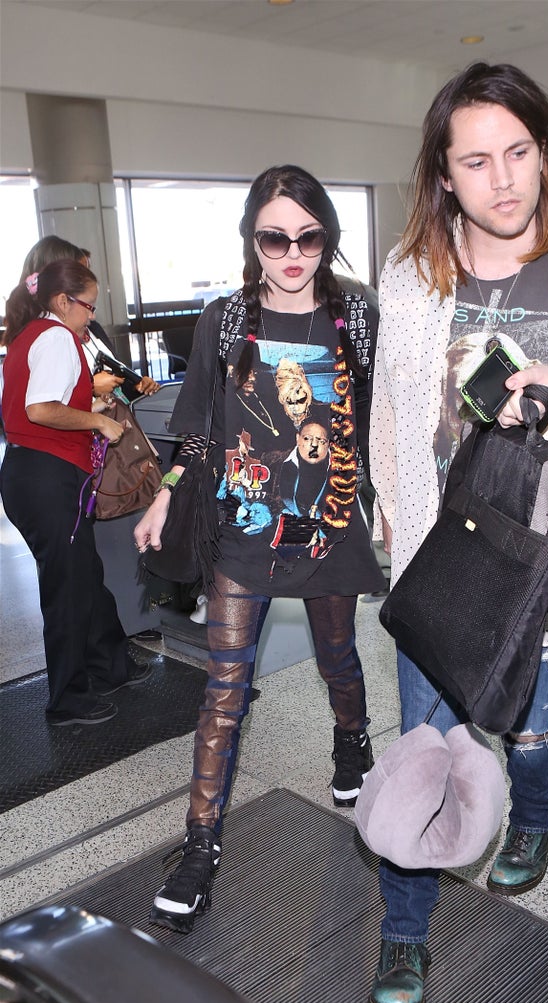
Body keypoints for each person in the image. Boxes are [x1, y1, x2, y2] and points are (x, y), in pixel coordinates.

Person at [367, 61, 548, 1003]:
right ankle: (403, 935)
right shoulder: (411, 274)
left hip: (539, 559)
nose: (504, 180)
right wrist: (390, 522)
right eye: (477, 161)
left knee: (533, 731)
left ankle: (534, 816)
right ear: (443, 174)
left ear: (544, 152)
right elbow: (390, 415)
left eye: (520, 153)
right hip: (440, 564)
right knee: (422, 749)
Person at [134, 164, 385, 934]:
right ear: (253, 238)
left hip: (331, 523)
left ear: (326, 238)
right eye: (275, 236)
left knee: (338, 658)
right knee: (224, 687)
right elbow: (200, 422)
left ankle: (351, 744)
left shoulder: (357, 319)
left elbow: (378, 420)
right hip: (242, 531)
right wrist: (168, 490)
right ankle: (200, 846)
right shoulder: (228, 319)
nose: (293, 252)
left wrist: (387, 504)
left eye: (309, 236)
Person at [0, 259, 151, 725]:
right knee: (67, 588)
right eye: (87, 306)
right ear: (64, 301)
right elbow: (40, 409)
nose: (91, 316)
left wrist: (94, 402)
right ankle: (67, 698)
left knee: (84, 572)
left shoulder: (33, 333)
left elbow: (47, 404)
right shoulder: (57, 337)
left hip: (36, 472)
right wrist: (99, 420)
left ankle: (111, 665)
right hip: (47, 477)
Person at [20, 235, 161, 400]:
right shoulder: (46, 338)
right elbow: (43, 407)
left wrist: (137, 385)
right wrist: (91, 386)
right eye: (79, 274)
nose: (86, 279)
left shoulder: (91, 327)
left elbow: (117, 379)